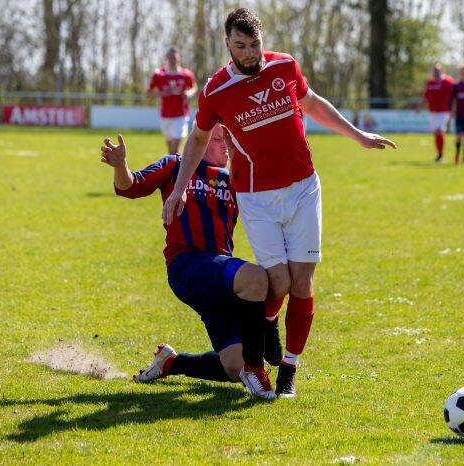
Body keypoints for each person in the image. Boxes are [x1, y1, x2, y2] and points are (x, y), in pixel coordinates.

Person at [162, 8, 397, 398]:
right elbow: (199, 140)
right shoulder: (215, 91)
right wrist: (179, 187)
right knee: (280, 282)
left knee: (302, 282)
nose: (250, 53)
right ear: (228, 45)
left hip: (304, 187)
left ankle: (289, 366)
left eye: (255, 44)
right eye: (241, 46)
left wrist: (358, 136)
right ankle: (267, 323)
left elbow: (313, 103)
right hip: (256, 197)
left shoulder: (284, 66)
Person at [100, 124, 276, 400]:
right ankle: (261, 364)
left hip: (220, 273)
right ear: (200, 140)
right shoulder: (176, 166)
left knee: (234, 368)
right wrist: (120, 165)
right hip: (188, 266)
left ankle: (172, 363)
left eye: (229, 140)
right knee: (255, 278)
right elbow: (130, 187)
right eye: (218, 139)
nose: (225, 146)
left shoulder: (236, 179)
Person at [146, 47, 197, 155]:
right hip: (165, 115)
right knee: (171, 150)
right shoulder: (159, 75)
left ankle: (180, 170)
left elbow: (194, 87)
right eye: (170, 57)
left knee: (175, 149)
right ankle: (176, 168)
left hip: (181, 115)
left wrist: (188, 93)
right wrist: (161, 93)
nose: (172, 60)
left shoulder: (186, 74)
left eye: (174, 57)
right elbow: (148, 93)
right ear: (166, 59)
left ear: (179, 58)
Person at [424, 64, 454, 162]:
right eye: (434, 70)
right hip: (433, 111)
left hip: (443, 111)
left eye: (438, 70)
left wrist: (454, 108)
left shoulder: (448, 81)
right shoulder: (430, 82)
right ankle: (439, 154)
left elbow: (454, 94)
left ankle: (441, 155)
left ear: (441, 70)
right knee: (436, 133)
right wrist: (420, 106)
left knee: (439, 130)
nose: (436, 72)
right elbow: (426, 95)